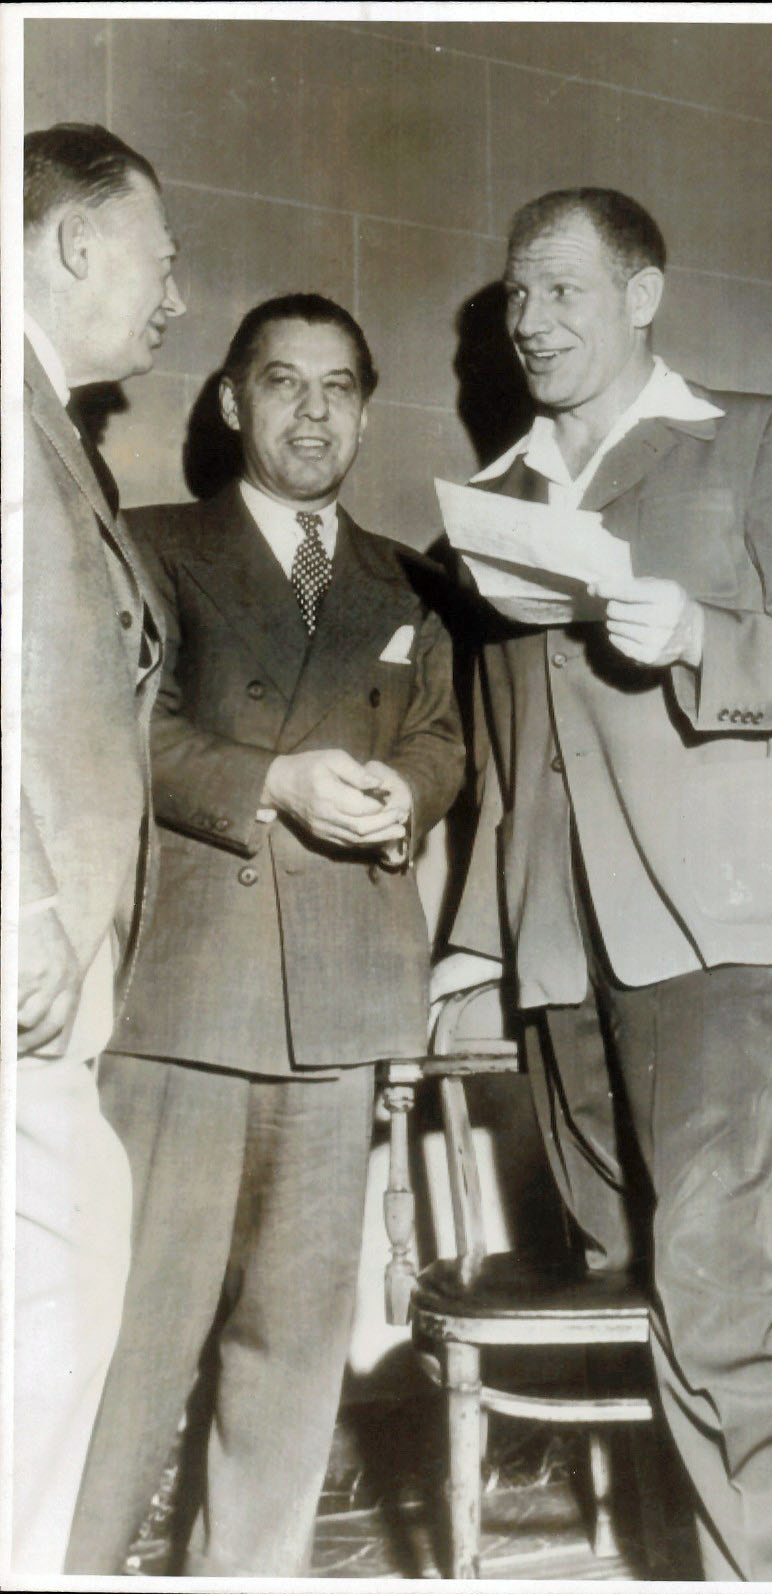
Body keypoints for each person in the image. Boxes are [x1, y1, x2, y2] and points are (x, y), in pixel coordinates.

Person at [439, 187, 772, 1581]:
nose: (532, 320)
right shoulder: (496, 499)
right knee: (622, 1268)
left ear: (643, 294)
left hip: (711, 928)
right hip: (557, 946)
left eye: (564, 288)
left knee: (714, 1272)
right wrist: (474, 945)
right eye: (517, 295)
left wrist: (699, 631)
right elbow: (509, 751)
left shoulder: (755, 439)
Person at [64, 294, 465, 1575]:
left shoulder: (406, 580)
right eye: (281, 383)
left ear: (364, 407)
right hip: (190, 993)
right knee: (136, 1337)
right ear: (231, 401)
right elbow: (117, 731)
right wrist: (274, 784)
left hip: (343, 996)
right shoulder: (149, 546)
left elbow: (442, 738)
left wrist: (412, 792)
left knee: (294, 1346)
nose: (310, 411)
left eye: (338, 386)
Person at [15, 123, 184, 1574]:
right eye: (160, 257)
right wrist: (19, 912)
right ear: (75, 242)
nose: (172, 299)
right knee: (54, 1300)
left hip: (62, 963)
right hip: (25, 962)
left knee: (60, 1297)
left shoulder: (47, 423)